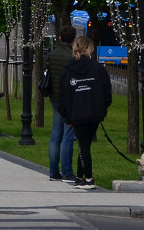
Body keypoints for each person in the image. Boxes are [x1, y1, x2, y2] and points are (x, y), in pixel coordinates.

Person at [57, 35, 111, 189]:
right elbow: (107, 91)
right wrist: (102, 110)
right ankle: (81, 176)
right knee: (84, 144)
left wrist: (67, 115)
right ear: (88, 49)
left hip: (77, 113)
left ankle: (88, 178)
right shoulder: (98, 68)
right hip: (94, 113)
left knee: (84, 145)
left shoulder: (67, 70)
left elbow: (63, 95)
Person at [45, 26, 77, 181]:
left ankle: (53, 171)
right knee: (68, 135)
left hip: (55, 99)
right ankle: (67, 172)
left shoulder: (52, 54)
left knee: (55, 135)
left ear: (59, 38)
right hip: (70, 100)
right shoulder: (73, 56)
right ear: (73, 40)